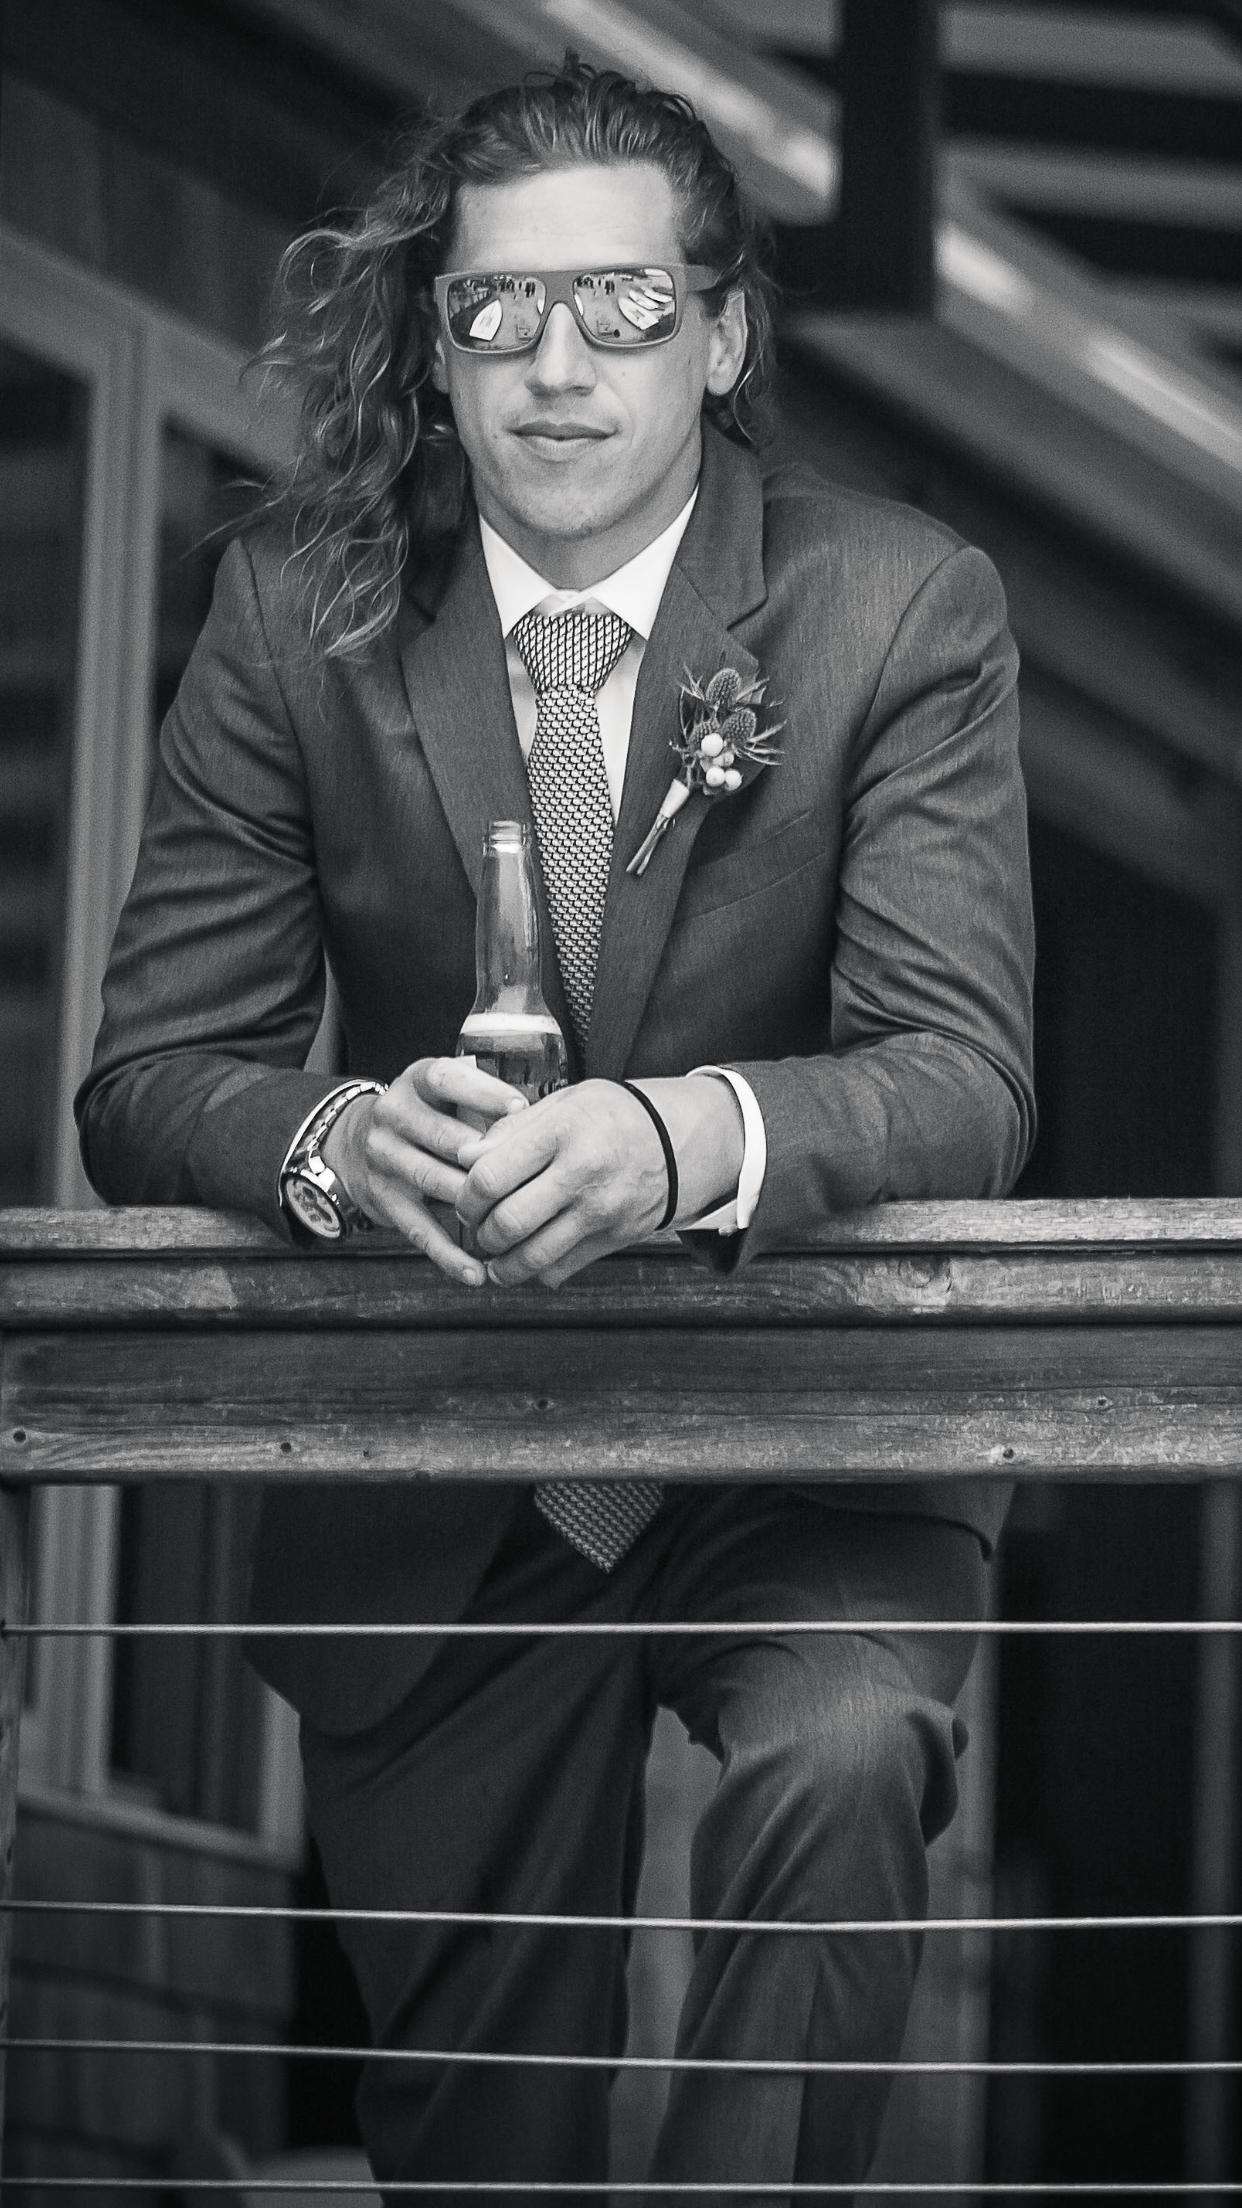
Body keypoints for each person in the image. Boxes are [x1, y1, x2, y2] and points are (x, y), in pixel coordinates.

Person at [77, 59, 1035, 2200]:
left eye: (621, 305)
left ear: (726, 336)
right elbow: (150, 1079)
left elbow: (960, 1075)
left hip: (801, 1433)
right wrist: (337, 1142)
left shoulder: (901, 607)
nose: (558, 363)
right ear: (438, 347)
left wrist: (683, 1137)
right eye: (498, 309)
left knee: (842, 1759)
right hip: (446, 1457)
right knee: (476, 2141)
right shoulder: (296, 613)